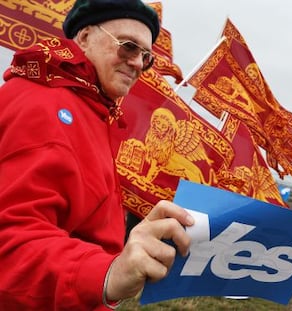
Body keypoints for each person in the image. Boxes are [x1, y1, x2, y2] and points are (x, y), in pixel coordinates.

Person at [0, 1, 194, 310]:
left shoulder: (90, 109)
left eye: (146, 57)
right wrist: (107, 274)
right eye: (128, 47)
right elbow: (10, 242)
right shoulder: (48, 106)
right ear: (85, 37)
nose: (137, 64)